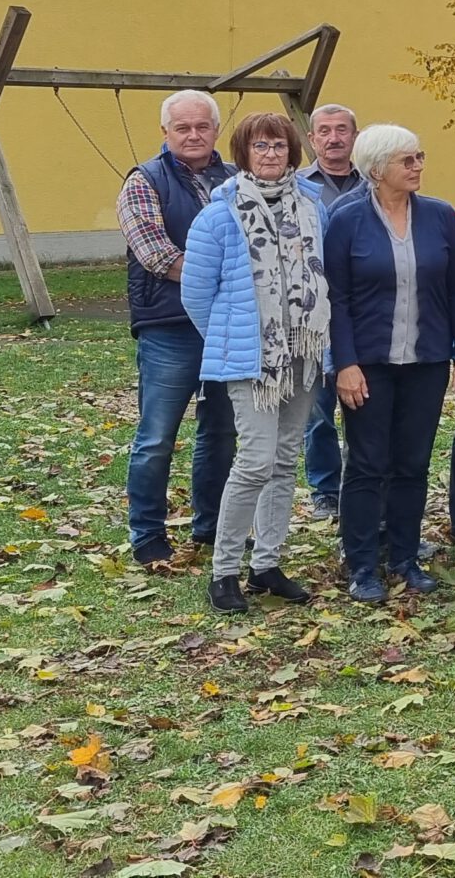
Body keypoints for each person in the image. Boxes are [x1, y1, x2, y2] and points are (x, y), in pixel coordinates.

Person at [323, 125, 455, 603]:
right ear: (376, 169)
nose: (417, 167)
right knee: (368, 464)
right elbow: (336, 298)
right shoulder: (346, 219)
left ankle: (406, 557)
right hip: (367, 364)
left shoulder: (439, 216)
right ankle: (363, 563)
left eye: (419, 157)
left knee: (412, 463)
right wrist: (344, 363)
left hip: (426, 361)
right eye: (406, 160)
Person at [180, 111, 328, 612]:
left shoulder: (313, 207)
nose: (270, 155)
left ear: (292, 152)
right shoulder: (219, 214)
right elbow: (197, 296)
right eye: (260, 146)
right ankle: (224, 571)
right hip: (251, 360)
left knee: (286, 460)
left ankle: (267, 563)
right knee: (256, 459)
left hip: (303, 352)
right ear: (243, 153)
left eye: (279, 146)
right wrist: (238, 338)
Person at [118, 90, 237, 570]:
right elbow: (156, 254)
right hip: (169, 326)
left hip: (227, 329)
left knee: (222, 433)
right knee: (156, 436)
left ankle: (210, 526)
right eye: (182, 128)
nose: (193, 135)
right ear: (165, 132)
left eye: (202, 126)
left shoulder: (234, 179)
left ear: (215, 130)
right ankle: (147, 535)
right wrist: (225, 278)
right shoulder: (144, 181)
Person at [295, 103, 361, 519]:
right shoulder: (297, 186)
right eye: (324, 131)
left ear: (355, 136)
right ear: (312, 139)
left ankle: (359, 484)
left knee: (361, 407)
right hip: (312, 314)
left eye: (342, 130)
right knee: (317, 410)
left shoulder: (373, 182)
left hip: (359, 310)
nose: (333, 138)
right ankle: (325, 489)